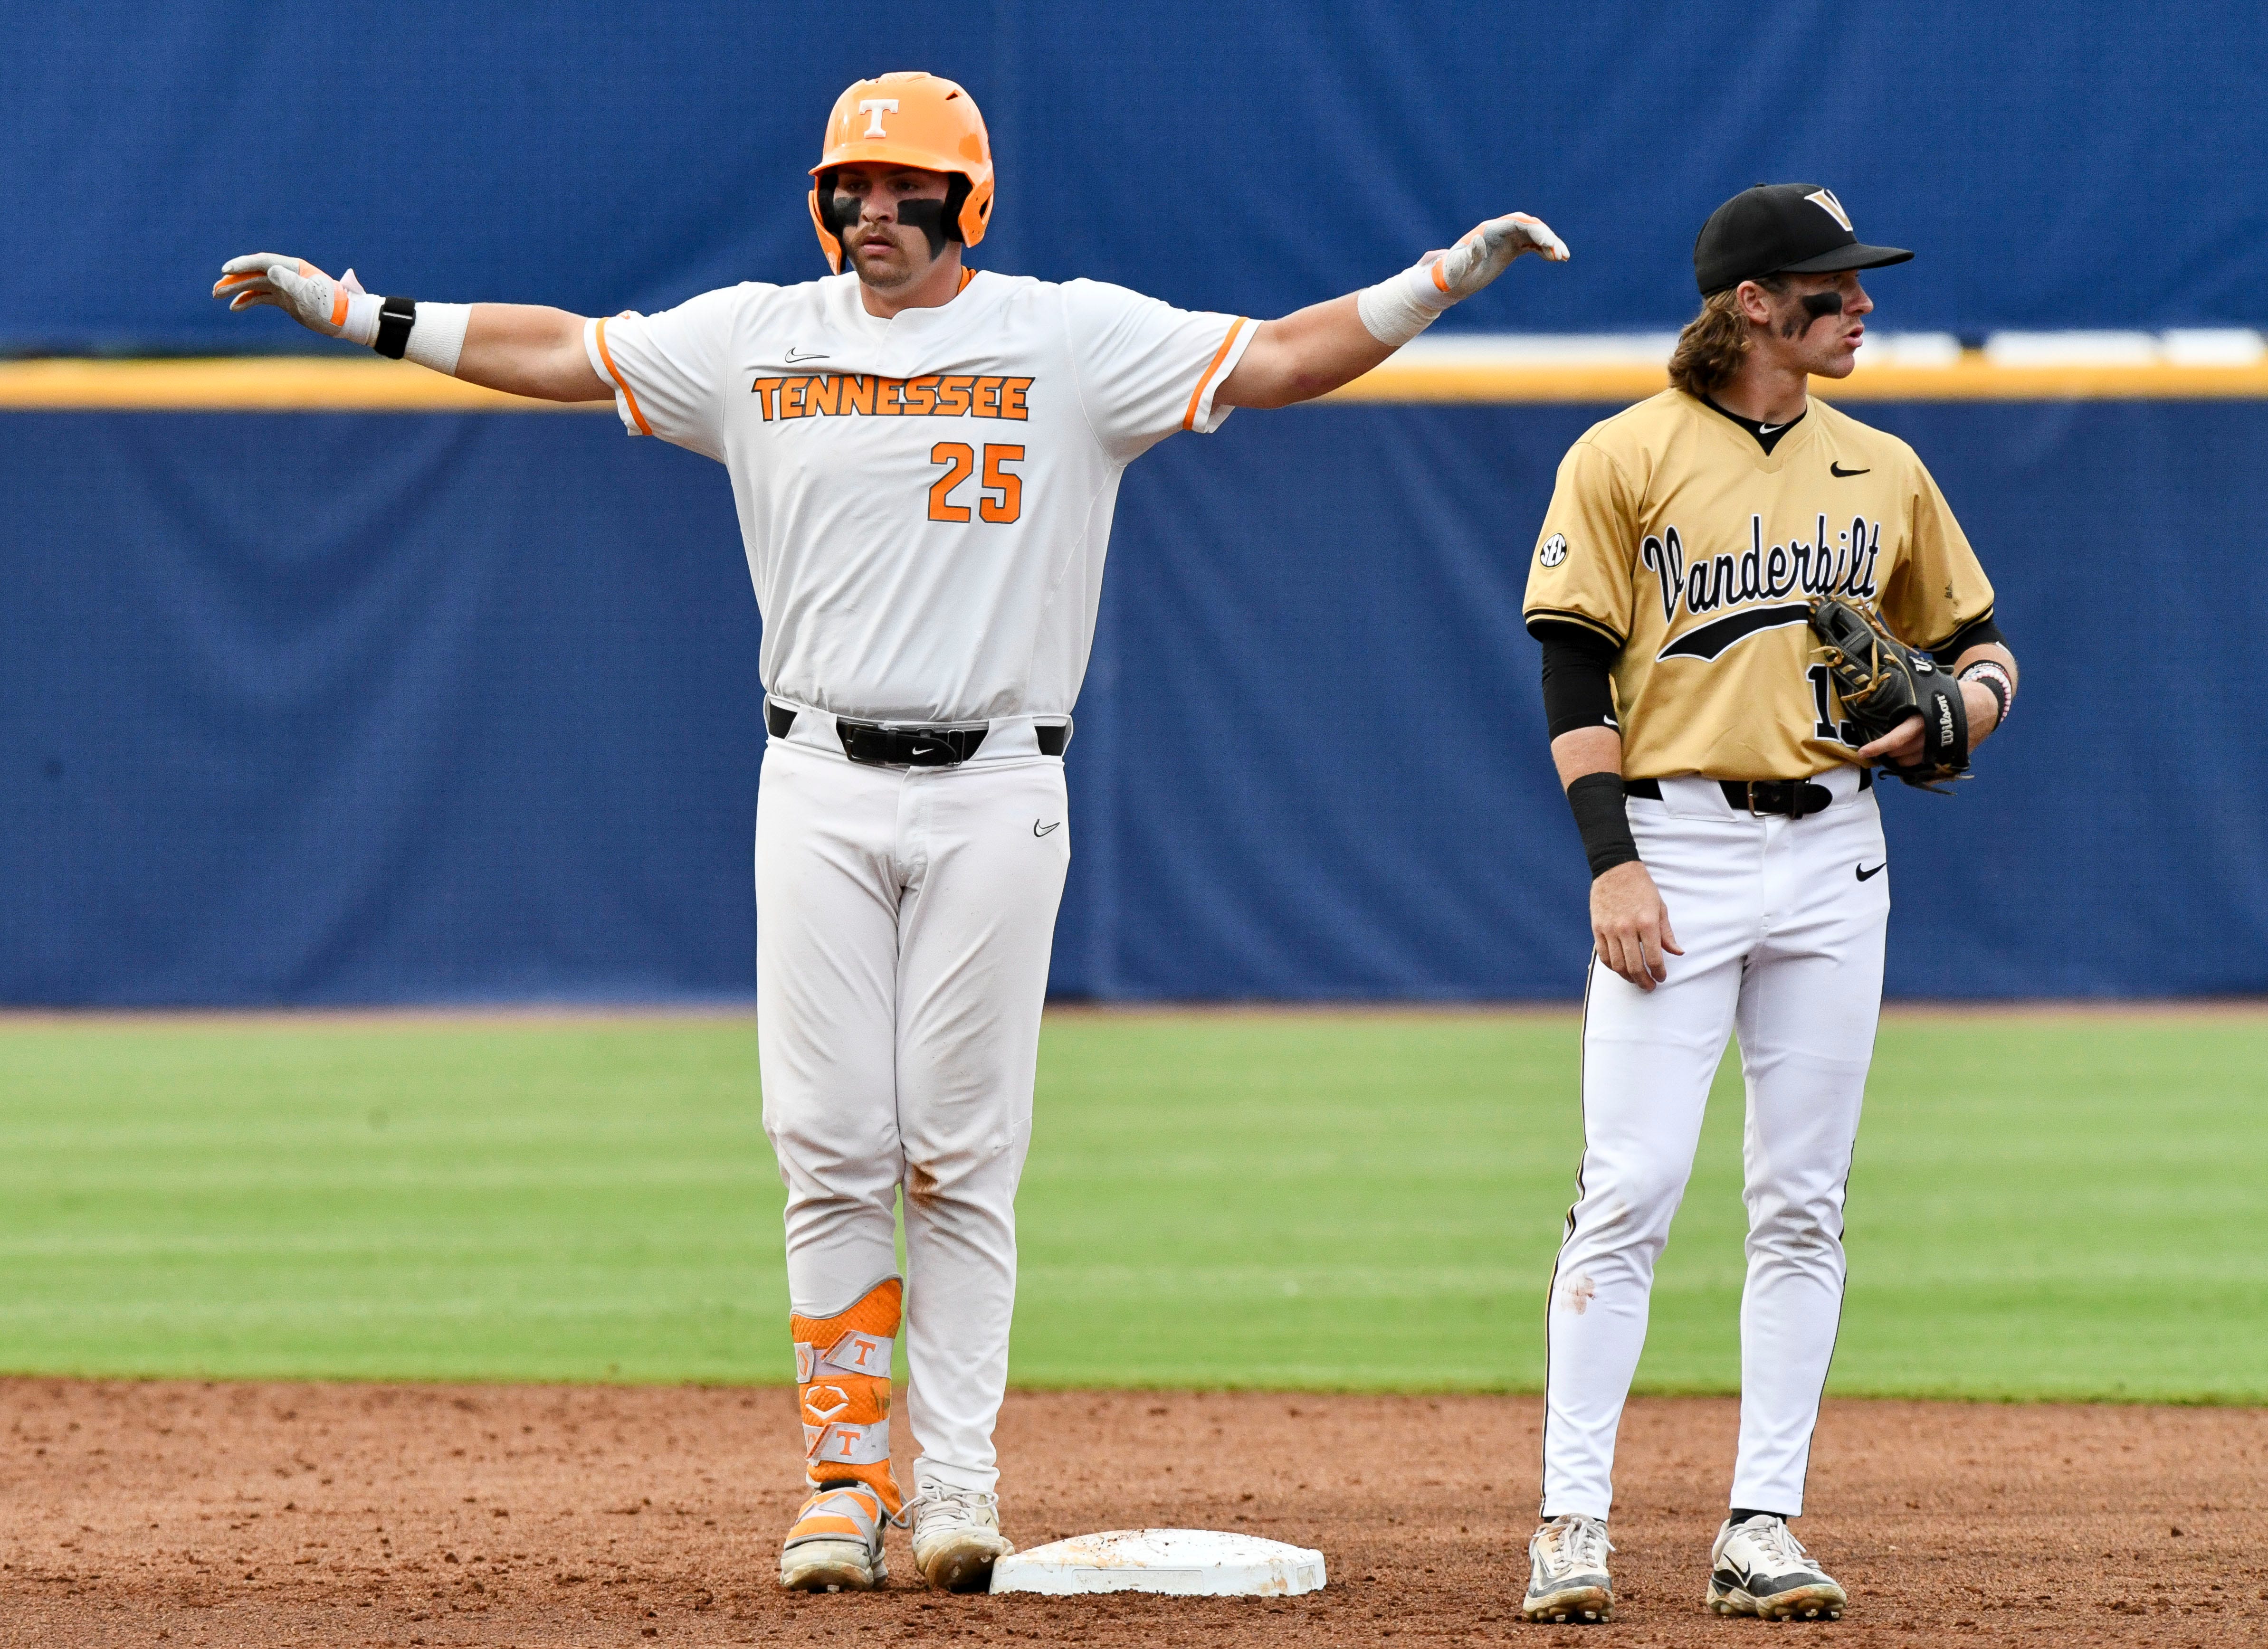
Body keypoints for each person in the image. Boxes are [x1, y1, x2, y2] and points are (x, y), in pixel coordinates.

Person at [213, 71, 1569, 1595]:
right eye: (852, 186)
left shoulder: (1067, 338)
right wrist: (359, 313)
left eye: (905, 186)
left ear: (966, 202)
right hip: (816, 777)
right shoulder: (758, 339)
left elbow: (1278, 362)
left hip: (999, 780)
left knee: (962, 1154)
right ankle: (844, 1481)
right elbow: (560, 353)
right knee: (829, 1140)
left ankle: (959, 1489)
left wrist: (1442, 278)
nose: (873, 211)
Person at [1515, 183, 2019, 1625]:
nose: (1863, 305)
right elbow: (1569, 670)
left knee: (1801, 1202)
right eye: (1836, 287)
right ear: (1755, 302)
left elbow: (1980, 645)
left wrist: (1960, 712)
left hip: (1836, 856)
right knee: (1632, 1186)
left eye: (1860, 287)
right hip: (1672, 843)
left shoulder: (1885, 468)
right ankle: (1572, 1522)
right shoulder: (1626, 455)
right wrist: (1610, 859)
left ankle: (1762, 1523)